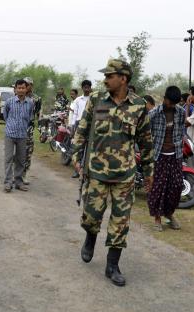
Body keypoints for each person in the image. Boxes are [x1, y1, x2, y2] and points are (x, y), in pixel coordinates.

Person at [72, 59, 153, 287]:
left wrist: (149, 172)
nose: (105, 79)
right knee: (91, 217)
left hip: (124, 176)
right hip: (96, 172)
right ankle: (90, 239)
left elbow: (146, 143)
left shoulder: (138, 106)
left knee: (120, 222)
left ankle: (112, 266)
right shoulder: (96, 100)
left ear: (123, 78)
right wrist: (76, 156)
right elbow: (82, 130)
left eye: (110, 76)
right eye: (105, 76)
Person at [147, 86, 186, 231]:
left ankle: (169, 214)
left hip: (175, 155)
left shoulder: (181, 113)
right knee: (158, 188)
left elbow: (182, 129)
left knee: (175, 186)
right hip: (159, 156)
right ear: (165, 99)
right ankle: (157, 218)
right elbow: (145, 132)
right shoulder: (153, 114)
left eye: (174, 104)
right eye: (169, 102)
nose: (171, 106)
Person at [3, 79, 34, 192]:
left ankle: (19, 182)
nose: (21, 90)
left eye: (23, 88)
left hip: (22, 135)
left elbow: (30, 117)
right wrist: (11, 125)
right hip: (10, 134)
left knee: (21, 160)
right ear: (15, 89)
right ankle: (8, 182)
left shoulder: (30, 103)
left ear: (26, 89)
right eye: (19, 88)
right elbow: (5, 116)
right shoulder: (9, 102)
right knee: (9, 159)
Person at [70, 80, 92, 178]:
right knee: (78, 147)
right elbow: (75, 113)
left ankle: (87, 171)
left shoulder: (94, 98)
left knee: (89, 148)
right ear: (82, 88)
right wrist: (73, 126)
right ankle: (76, 170)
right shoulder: (78, 100)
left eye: (88, 87)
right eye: (85, 87)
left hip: (90, 124)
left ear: (90, 88)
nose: (87, 89)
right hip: (79, 123)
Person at [22, 77, 42, 185]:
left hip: (29, 128)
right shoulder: (18, 95)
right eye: (24, 84)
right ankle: (15, 173)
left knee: (27, 152)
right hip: (18, 127)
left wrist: (41, 130)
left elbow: (38, 115)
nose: (26, 86)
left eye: (28, 84)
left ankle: (23, 174)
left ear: (31, 86)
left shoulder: (36, 99)